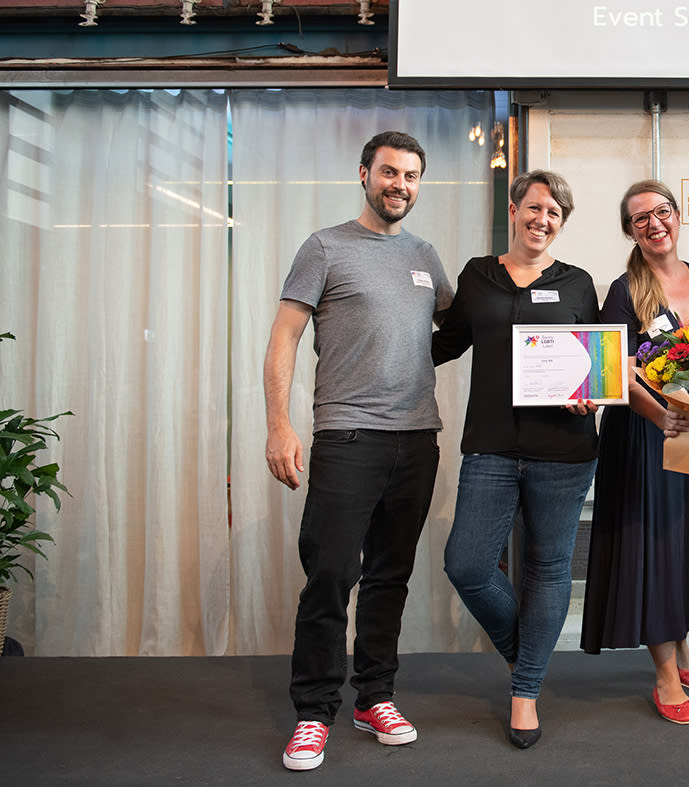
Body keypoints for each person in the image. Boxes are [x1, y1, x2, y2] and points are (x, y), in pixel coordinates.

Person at [263, 131, 453, 771]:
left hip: (416, 438)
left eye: (412, 175)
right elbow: (285, 337)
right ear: (365, 174)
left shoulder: (426, 255)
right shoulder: (325, 247)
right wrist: (279, 426)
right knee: (331, 573)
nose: (400, 184)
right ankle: (314, 712)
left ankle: (376, 696)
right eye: (390, 172)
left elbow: (464, 323)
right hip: (347, 434)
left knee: (389, 576)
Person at [432, 170, 599, 749]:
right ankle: (525, 653)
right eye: (535, 208)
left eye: (554, 213)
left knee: (549, 569)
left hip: (564, 450)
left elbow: (592, 366)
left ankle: (524, 692)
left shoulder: (578, 283)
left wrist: (589, 398)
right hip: (492, 448)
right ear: (514, 209)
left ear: (561, 223)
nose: (542, 219)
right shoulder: (478, 275)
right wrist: (376, 342)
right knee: (469, 566)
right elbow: (444, 342)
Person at [580, 180, 689, 725]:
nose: (654, 223)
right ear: (630, 230)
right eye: (640, 218)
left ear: (677, 216)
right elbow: (613, 371)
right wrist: (662, 415)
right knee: (655, 552)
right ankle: (666, 673)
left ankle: (683, 644)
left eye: (661, 212)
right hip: (646, 440)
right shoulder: (625, 291)